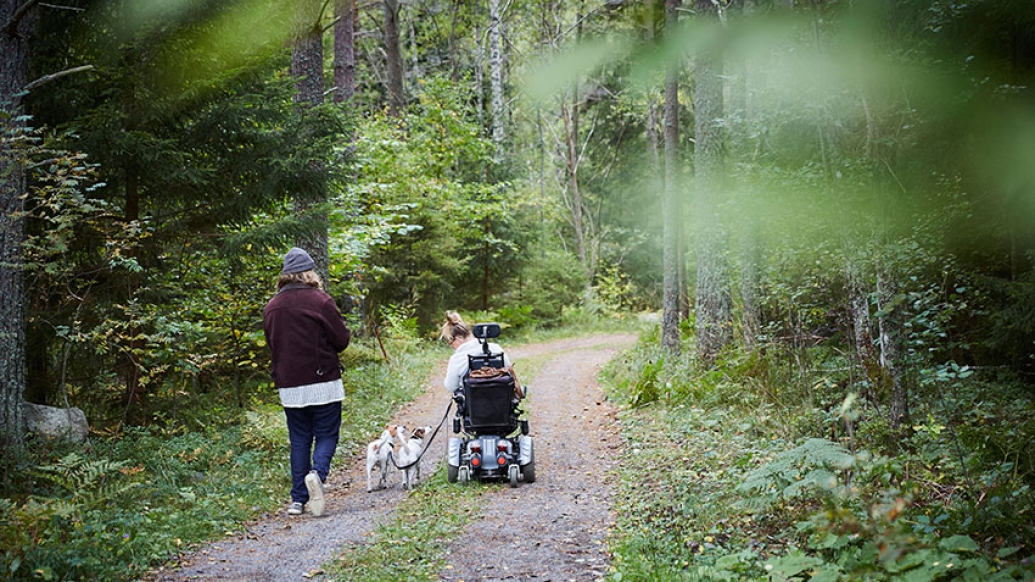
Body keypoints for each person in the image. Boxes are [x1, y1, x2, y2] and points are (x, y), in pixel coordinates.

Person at [263, 247, 351, 517]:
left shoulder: (271, 308)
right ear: (309, 272)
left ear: (285, 276)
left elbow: (272, 344)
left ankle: (297, 500)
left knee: (299, 439)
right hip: (322, 381)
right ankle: (317, 474)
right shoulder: (321, 301)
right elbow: (342, 340)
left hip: (289, 385)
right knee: (327, 434)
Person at [441, 310, 523, 399]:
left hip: (474, 407)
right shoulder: (496, 349)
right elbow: (509, 372)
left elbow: (451, 387)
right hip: (502, 403)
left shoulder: (457, 359)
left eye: (450, 343)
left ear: (458, 338)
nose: (452, 347)